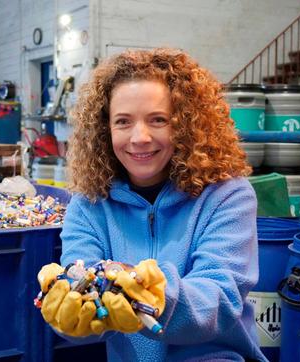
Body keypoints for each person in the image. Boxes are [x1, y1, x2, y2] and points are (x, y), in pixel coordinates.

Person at [37, 48, 267, 361]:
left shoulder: (226, 194)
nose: (140, 137)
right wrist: (73, 312)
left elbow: (219, 297)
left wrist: (158, 297)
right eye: (123, 121)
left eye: (158, 120)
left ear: (186, 126)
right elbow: (83, 283)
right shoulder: (89, 202)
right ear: (105, 130)